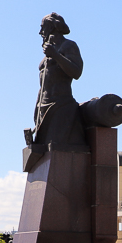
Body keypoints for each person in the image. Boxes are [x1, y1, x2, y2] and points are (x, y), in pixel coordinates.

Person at [29, 13, 85, 147]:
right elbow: (43, 86)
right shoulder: (47, 55)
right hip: (43, 108)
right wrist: (37, 108)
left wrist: (55, 55)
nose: (40, 32)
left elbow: (76, 72)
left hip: (61, 106)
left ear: (53, 27)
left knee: (56, 149)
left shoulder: (68, 46)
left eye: (43, 28)